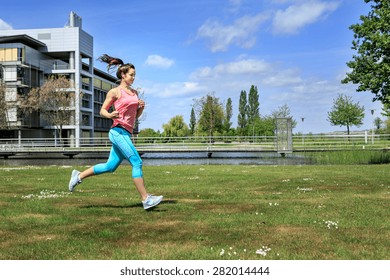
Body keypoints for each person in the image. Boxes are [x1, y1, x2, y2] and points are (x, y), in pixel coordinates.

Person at [68, 54, 163, 210]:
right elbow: (102, 111)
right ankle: (146, 199)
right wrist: (111, 114)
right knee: (137, 162)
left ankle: (78, 176)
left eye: (134, 75)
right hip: (117, 131)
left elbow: (134, 117)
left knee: (110, 167)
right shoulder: (115, 92)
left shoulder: (134, 93)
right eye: (131, 75)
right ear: (123, 75)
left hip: (126, 132)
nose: (133, 78)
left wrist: (141, 108)